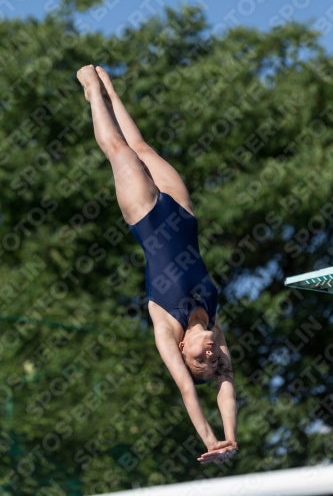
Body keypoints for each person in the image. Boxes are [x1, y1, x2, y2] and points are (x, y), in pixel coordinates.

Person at [76, 65, 238, 465]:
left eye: (203, 359)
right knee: (143, 147)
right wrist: (232, 435)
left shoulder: (167, 328)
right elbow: (226, 384)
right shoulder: (213, 321)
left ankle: (92, 89)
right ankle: (110, 86)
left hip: (146, 215)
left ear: (184, 351)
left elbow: (188, 390)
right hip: (182, 213)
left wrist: (211, 438)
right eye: (215, 359)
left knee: (120, 150)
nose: (213, 353)